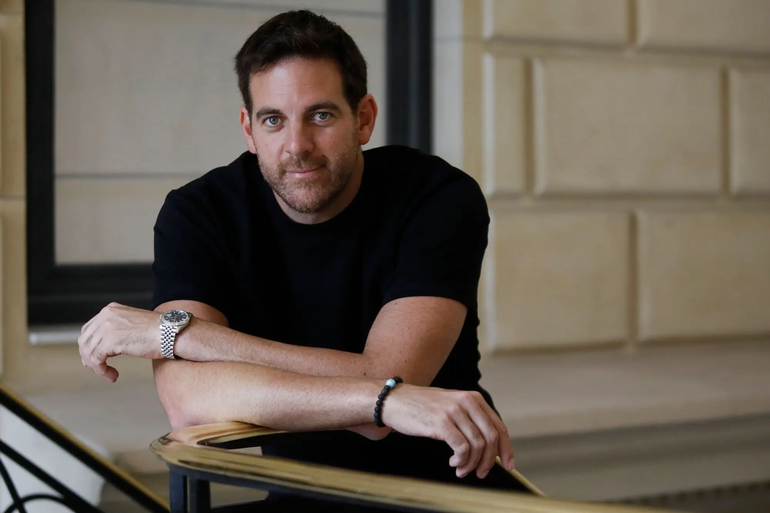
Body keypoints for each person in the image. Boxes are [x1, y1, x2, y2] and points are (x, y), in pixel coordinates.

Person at [77, 9, 515, 488]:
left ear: (363, 118)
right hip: (299, 491)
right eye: (273, 120)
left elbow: (390, 374)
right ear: (248, 130)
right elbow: (188, 397)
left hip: (446, 493)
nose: (297, 145)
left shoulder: (436, 197)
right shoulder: (199, 213)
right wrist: (381, 400)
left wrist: (185, 335)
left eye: (320, 115)